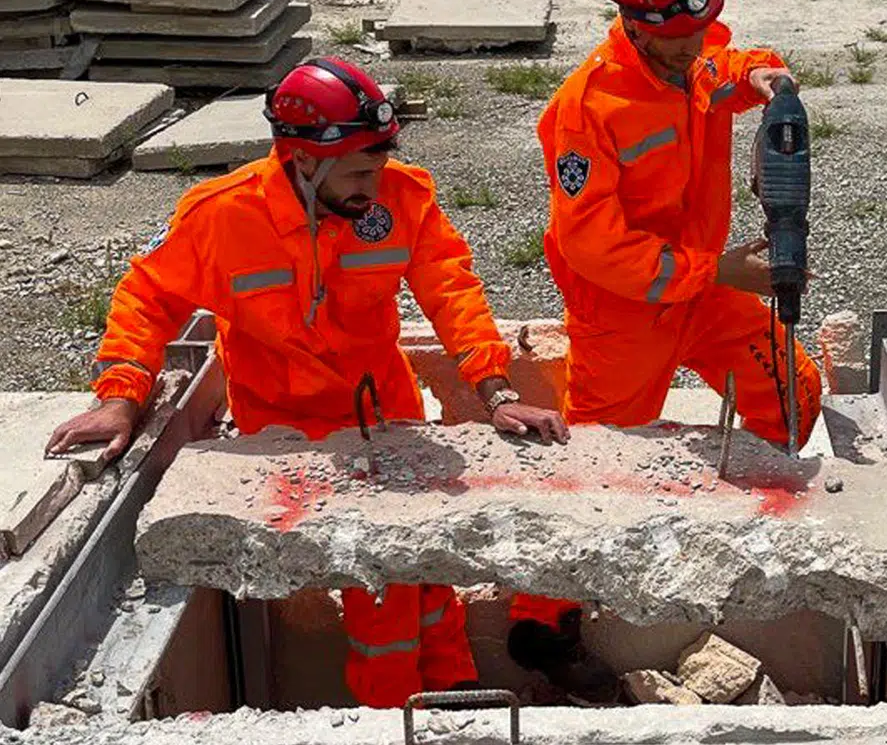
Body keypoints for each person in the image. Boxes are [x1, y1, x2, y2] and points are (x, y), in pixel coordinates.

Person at [44, 57, 569, 710]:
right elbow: (147, 297)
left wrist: (495, 389)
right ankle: (393, 716)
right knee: (380, 593)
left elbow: (450, 288)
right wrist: (121, 397)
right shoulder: (222, 217)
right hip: (287, 440)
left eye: (378, 167)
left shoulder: (400, 198)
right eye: (356, 172)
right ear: (300, 161)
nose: (373, 185)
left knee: (427, 577)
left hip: (385, 421)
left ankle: (457, 685)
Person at [508, 0, 825, 701]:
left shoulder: (694, 54)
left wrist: (766, 76)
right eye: (680, 39)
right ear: (634, 22)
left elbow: (729, 63)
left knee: (793, 391)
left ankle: (744, 540)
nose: (697, 49)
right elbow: (594, 246)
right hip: (628, 313)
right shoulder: (587, 109)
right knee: (597, 470)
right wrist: (715, 271)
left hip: (704, 291)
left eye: (705, 30)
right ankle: (543, 623)